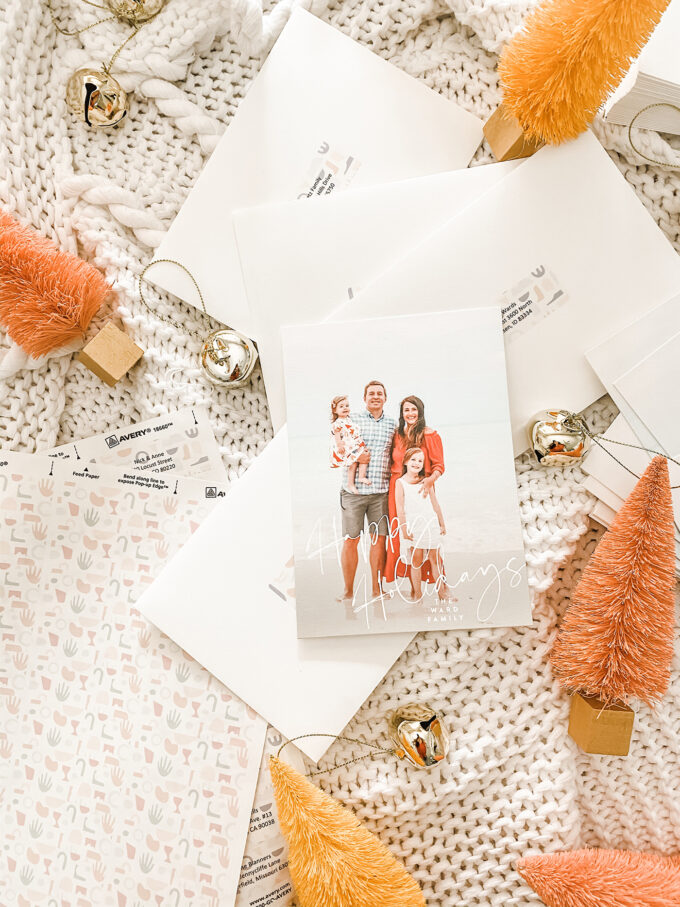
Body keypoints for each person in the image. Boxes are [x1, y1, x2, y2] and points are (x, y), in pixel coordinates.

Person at [338, 381, 397, 603]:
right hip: (352, 493)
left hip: (380, 492)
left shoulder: (392, 424)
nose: (375, 397)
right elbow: (337, 450)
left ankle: (376, 589)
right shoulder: (351, 419)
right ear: (364, 398)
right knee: (351, 540)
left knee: (378, 541)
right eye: (371, 394)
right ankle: (348, 591)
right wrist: (355, 457)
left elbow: (397, 453)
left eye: (379, 394)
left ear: (385, 398)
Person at [384, 396, 445, 590]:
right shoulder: (397, 434)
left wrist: (430, 481)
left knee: (428, 538)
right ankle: (414, 588)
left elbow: (439, 465)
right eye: (406, 410)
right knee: (405, 537)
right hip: (397, 487)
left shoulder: (429, 434)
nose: (410, 414)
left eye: (413, 409)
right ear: (402, 414)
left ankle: (443, 586)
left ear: (420, 411)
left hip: (422, 488)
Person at [395, 447, 447, 601]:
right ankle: (418, 594)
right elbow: (400, 508)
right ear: (405, 461)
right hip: (414, 526)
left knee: (435, 560)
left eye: (420, 461)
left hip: (430, 524)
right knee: (416, 562)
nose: (416, 463)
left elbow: (435, 503)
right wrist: (404, 530)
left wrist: (441, 523)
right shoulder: (400, 483)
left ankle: (442, 593)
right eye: (413, 459)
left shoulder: (426, 481)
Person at [329, 395, 371, 494]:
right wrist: (339, 446)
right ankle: (351, 484)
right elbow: (337, 435)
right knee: (354, 463)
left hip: (354, 445)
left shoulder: (349, 420)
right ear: (335, 410)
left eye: (347, 405)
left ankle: (361, 476)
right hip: (346, 447)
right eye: (341, 406)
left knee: (363, 458)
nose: (345, 408)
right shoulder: (338, 423)